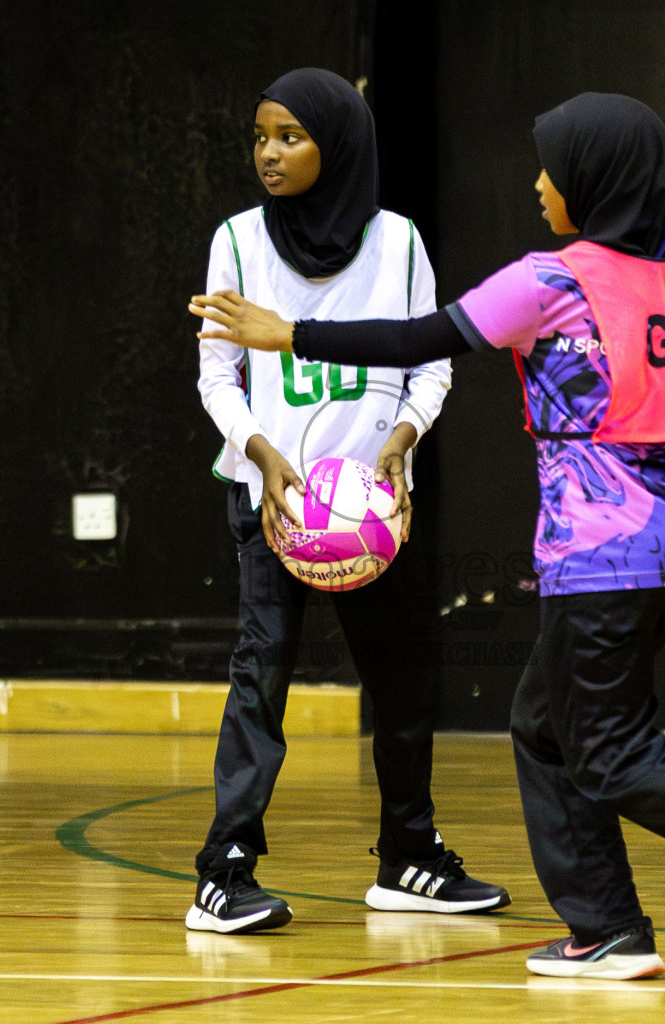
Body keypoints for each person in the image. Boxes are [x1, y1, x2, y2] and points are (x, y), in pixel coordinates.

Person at [189, 92, 665, 977]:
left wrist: (291, 334)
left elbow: (423, 337)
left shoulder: (550, 281)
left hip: (598, 552)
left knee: (612, 748)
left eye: (553, 168)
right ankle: (607, 928)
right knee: (545, 727)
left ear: (592, 182)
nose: (540, 183)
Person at [189, 67, 509, 936]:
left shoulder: (398, 243)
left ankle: (408, 856)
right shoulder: (238, 242)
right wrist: (260, 457)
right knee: (263, 678)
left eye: (289, 136)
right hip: (274, 503)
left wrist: (403, 440)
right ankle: (224, 873)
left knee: (405, 683)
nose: (269, 153)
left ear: (338, 144)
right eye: (260, 136)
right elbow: (217, 376)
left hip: (368, 505)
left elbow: (431, 360)